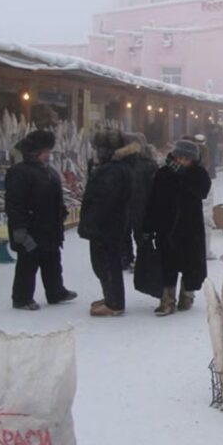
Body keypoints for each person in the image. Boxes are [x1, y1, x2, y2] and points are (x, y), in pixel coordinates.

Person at [6, 130, 77, 311]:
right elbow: (15, 204)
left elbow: (55, 196)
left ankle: (56, 291)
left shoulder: (48, 171)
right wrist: (19, 230)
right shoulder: (19, 172)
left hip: (50, 227)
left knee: (52, 259)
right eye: (46, 151)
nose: (49, 155)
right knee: (28, 262)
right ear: (35, 152)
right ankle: (22, 298)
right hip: (30, 227)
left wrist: (61, 212)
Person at [143, 140, 211, 316]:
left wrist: (184, 176)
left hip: (190, 228)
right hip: (166, 227)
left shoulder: (199, 174)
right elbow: (153, 201)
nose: (182, 161)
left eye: (187, 159)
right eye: (180, 158)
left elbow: (202, 191)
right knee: (167, 264)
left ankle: (187, 296)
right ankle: (167, 300)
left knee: (191, 265)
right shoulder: (164, 173)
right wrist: (148, 227)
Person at [79, 129, 133, 317]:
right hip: (110, 224)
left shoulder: (112, 171)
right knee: (105, 262)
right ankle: (110, 297)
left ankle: (114, 303)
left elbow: (103, 200)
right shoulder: (114, 168)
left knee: (106, 263)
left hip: (106, 225)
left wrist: (91, 222)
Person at [119, 133, 158, 272]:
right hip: (129, 205)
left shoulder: (147, 164)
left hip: (141, 205)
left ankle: (140, 260)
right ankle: (129, 258)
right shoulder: (123, 164)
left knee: (139, 235)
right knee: (127, 234)